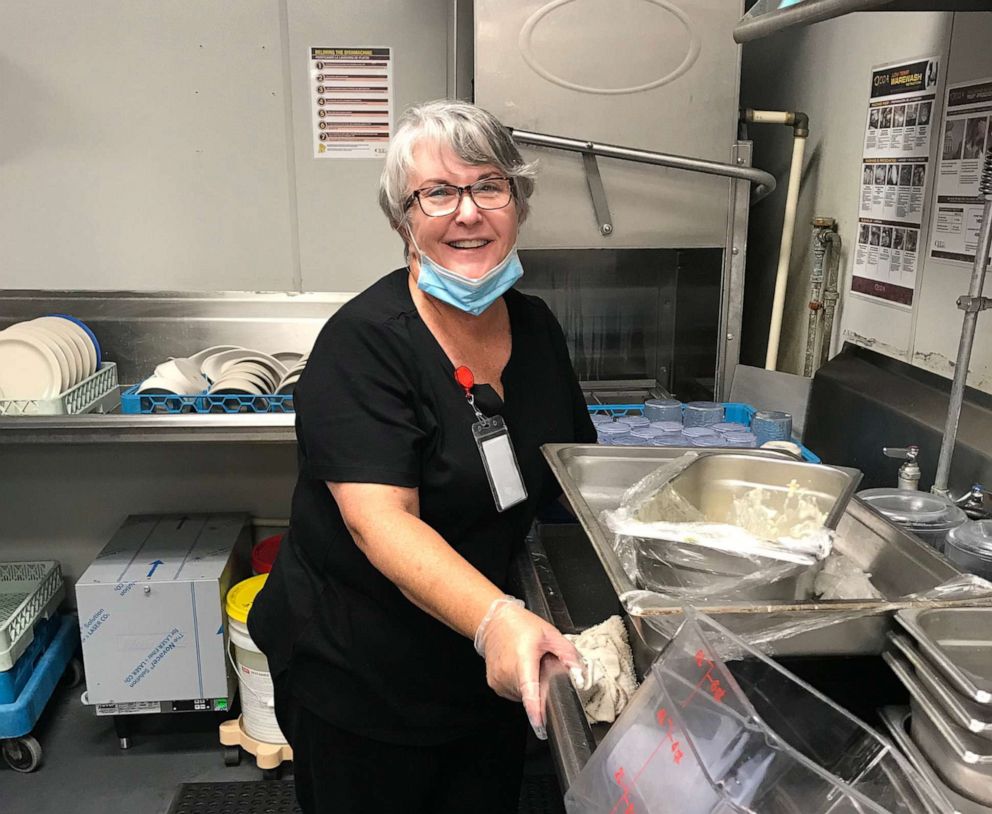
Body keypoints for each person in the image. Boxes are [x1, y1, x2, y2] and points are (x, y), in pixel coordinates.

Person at [248, 99, 596, 813]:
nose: (467, 212)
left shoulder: (535, 330)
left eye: (489, 186)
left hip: (482, 666)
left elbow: (569, 472)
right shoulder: (365, 344)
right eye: (436, 193)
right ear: (402, 219)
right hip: (364, 676)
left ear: (518, 204)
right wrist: (496, 618)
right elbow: (382, 522)